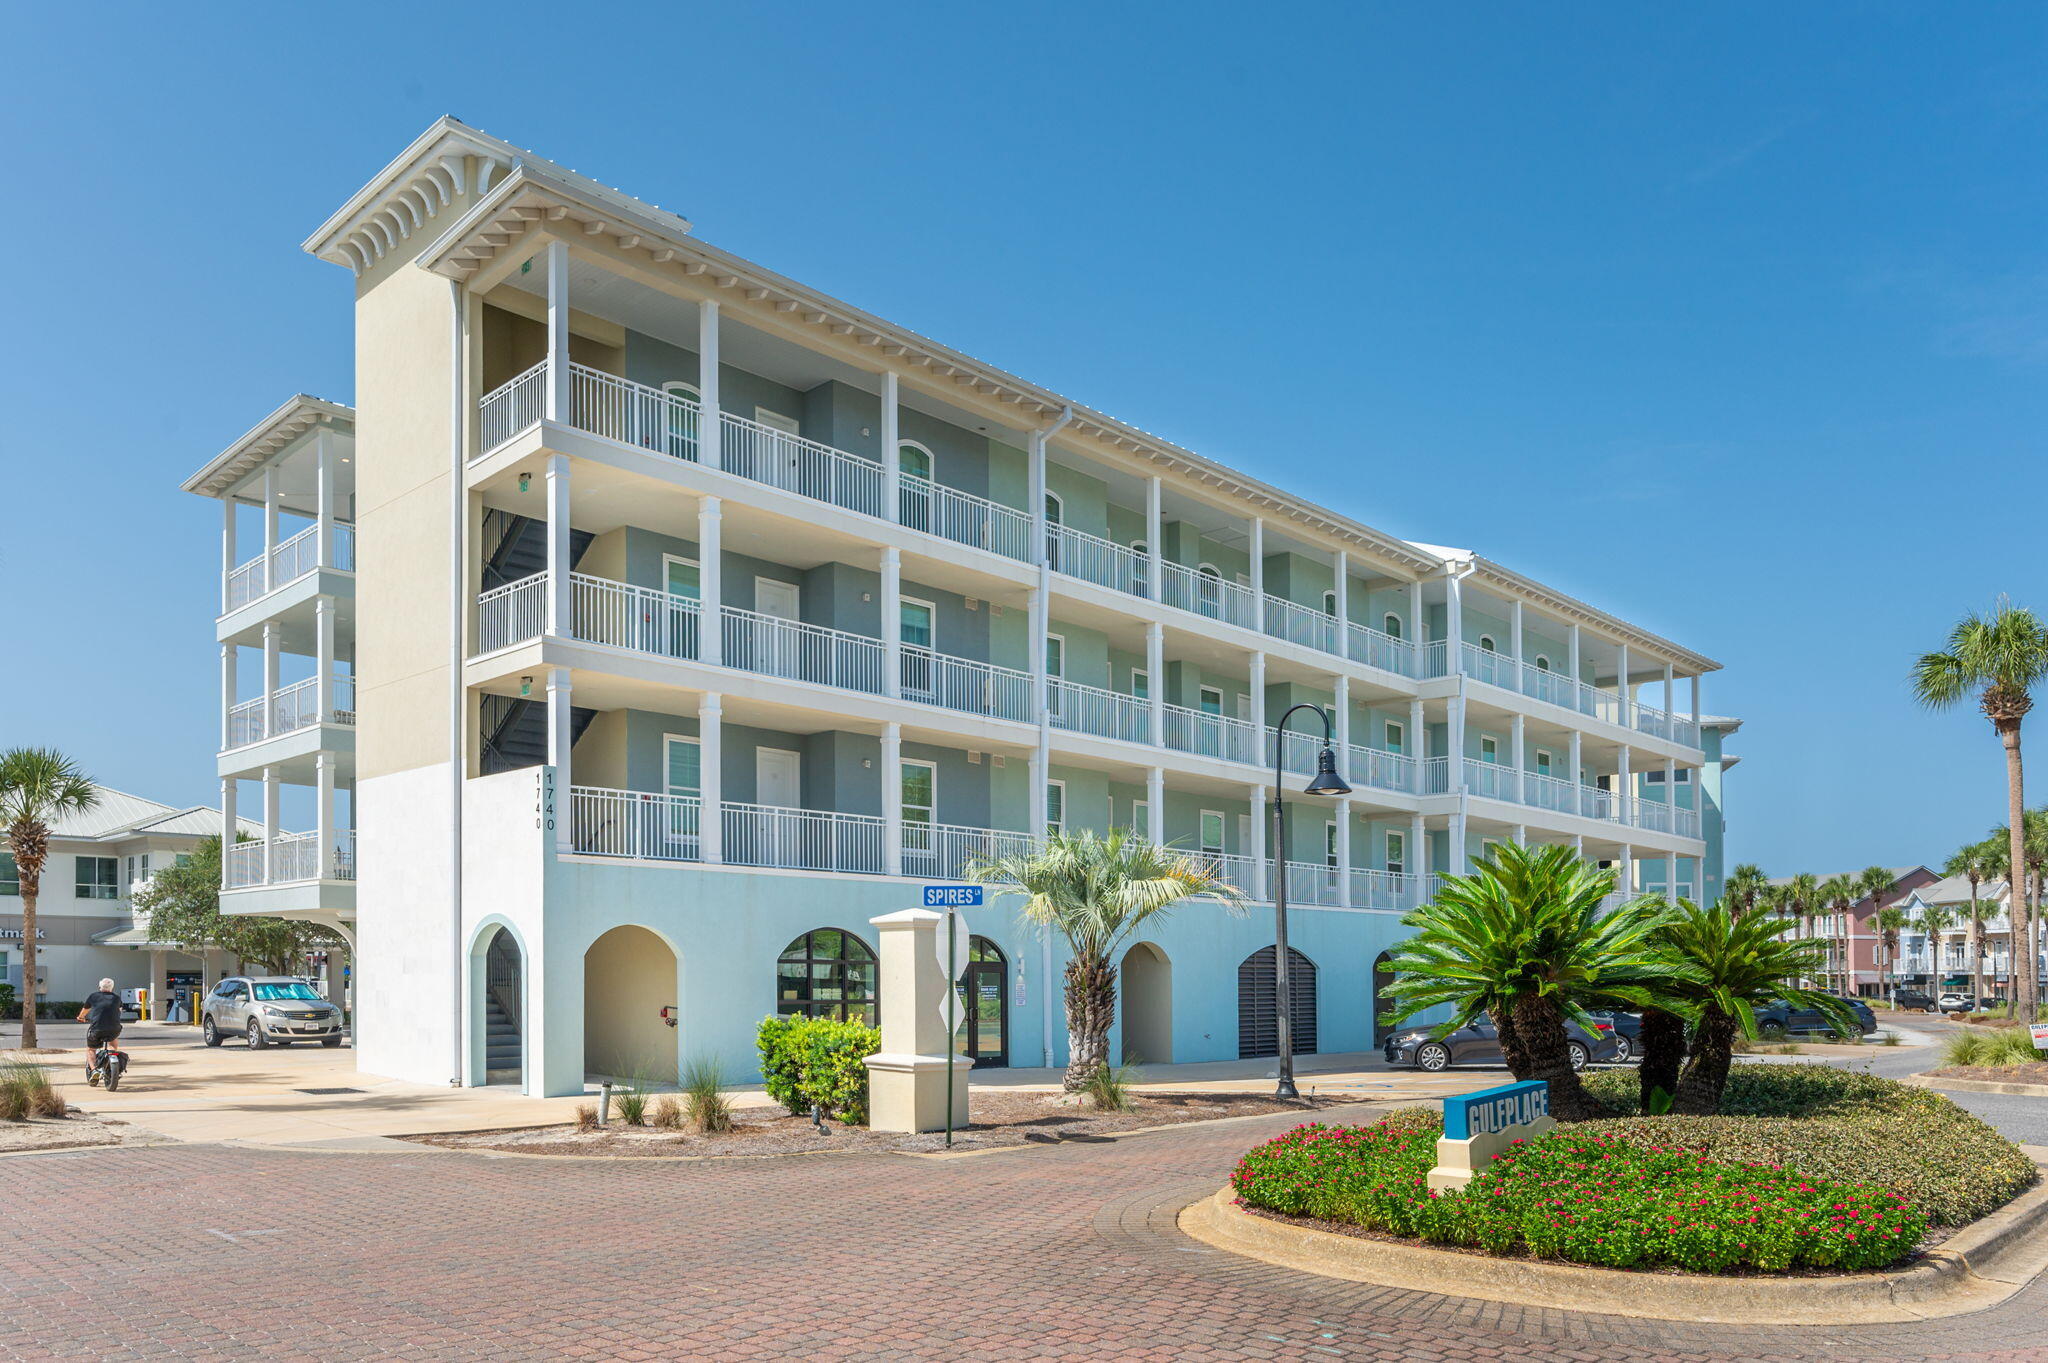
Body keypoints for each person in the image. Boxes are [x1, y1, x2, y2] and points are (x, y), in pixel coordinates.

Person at [77, 978, 123, 1079]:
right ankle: (111, 1062)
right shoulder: (117, 998)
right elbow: (119, 1011)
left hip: (97, 1028)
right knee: (113, 1042)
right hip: (114, 1028)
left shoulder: (94, 996)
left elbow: (85, 1010)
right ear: (112, 988)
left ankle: (94, 1070)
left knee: (91, 1049)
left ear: (100, 987)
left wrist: (81, 1017)